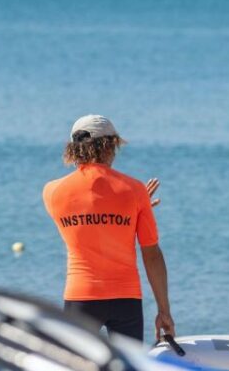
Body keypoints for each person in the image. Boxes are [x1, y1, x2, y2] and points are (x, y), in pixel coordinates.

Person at [43, 114, 176, 343]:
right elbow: (151, 255)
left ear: (74, 149)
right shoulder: (135, 191)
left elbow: (90, 214)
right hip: (127, 301)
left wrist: (133, 205)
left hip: (81, 298)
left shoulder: (52, 192)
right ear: (109, 146)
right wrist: (164, 312)